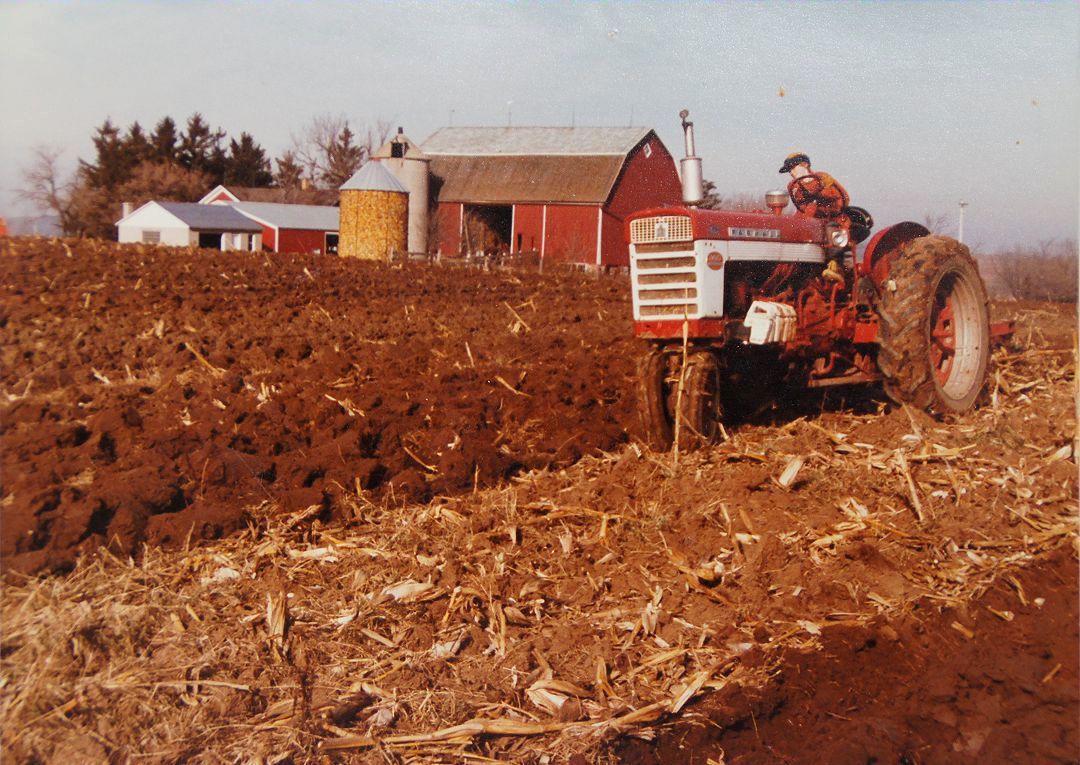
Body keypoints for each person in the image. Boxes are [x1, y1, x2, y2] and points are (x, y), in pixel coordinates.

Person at [780, 153, 851, 282]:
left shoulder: (822, 177)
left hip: (830, 218)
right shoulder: (794, 185)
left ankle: (835, 267)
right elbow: (803, 207)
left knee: (832, 229)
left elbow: (843, 198)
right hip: (807, 219)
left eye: (792, 168)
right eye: (788, 170)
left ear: (804, 165)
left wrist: (825, 193)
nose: (791, 172)